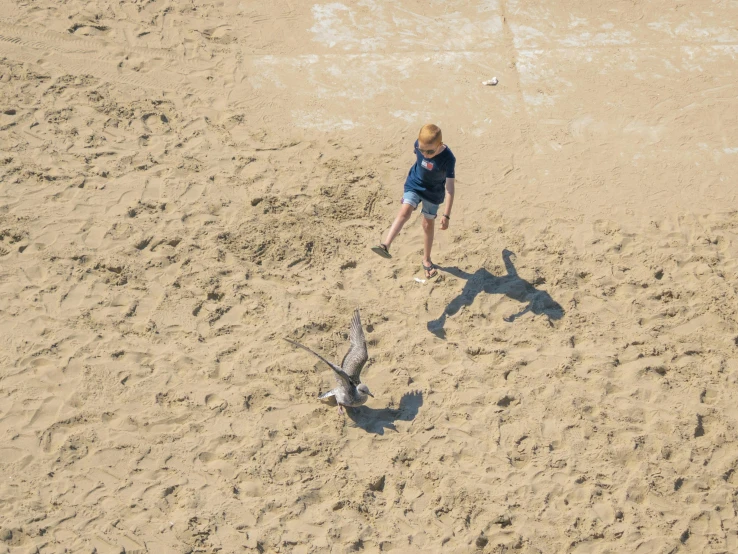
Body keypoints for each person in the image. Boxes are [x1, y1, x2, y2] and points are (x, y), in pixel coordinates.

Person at [371, 124, 456, 279]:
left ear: (440, 144)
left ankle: (427, 259)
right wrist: (407, 194)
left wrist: (447, 215)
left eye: (430, 151)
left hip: (433, 193)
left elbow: (450, 188)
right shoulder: (418, 145)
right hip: (415, 184)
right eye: (422, 150)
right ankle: (385, 245)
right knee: (405, 211)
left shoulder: (448, 158)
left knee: (427, 224)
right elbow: (418, 161)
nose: (425, 154)